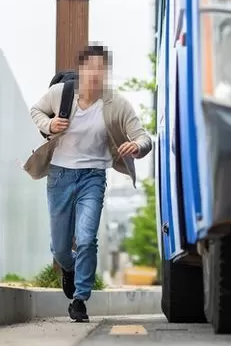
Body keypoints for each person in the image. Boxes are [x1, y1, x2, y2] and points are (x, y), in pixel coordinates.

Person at [23, 45, 152, 322]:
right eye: (90, 68)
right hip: (60, 176)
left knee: (86, 238)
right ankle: (69, 269)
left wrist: (136, 147)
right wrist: (49, 124)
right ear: (81, 70)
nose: (95, 74)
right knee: (59, 248)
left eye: (101, 69)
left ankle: (80, 299)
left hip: (93, 176)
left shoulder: (116, 104)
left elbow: (144, 138)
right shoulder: (61, 94)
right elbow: (36, 110)